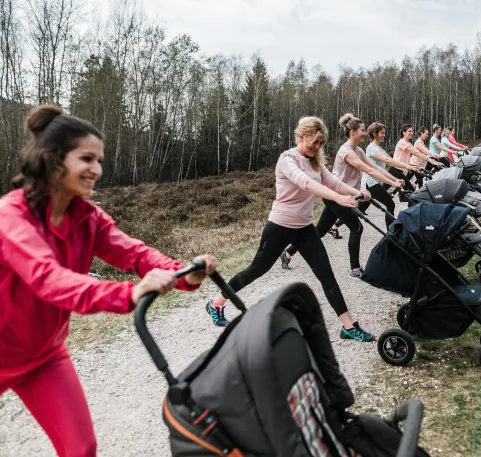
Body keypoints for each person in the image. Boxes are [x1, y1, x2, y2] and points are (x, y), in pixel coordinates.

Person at [0, 105, 217, 457]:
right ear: (52, 159)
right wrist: (129, 294)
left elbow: (134, 254)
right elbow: (49, 280)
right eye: (87, 159)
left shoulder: (87, 217)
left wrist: (183, 272)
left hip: (43, 356)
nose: (97, 170)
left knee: (81, 448)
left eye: (100, 160)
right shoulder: (12, 216)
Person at [205, 116, 375, 342]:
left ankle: (348, 326)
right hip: (279, 226)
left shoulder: (316, 161)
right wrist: (338, 199)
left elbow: (333, 183)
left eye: (321, 143)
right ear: (301, 136)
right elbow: (305, 182)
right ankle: (216, 302)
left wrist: (356, 193)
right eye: (313, 142)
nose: (317, 148)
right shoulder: (287, 159)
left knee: (326, 274)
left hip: (305, 228)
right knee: (256, 269)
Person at [281, 113, 403, 278]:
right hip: (335, 195)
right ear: (352, 132)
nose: (365, 133)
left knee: (320, 231)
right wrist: (393, 183)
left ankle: (287, 253)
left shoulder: (358, 150)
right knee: (357, 227)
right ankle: (355, 269)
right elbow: (369, 171)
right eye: (362, 130)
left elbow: (376, 167)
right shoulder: (346, 152)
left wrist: (394, 180)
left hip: (342, 195)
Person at [357, 121, 407, 228]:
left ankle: (335, 226)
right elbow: (386, 160)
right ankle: (391, 232)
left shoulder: (379, 148)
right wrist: (407, 167)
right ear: (375, 134)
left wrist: (407, 166)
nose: (384, 135)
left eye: (384, 133)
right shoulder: (372, 147)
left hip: (373, 182)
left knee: (360, 209)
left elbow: (389, 160)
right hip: (370, 182)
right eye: (382, 133)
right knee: (390, 204)